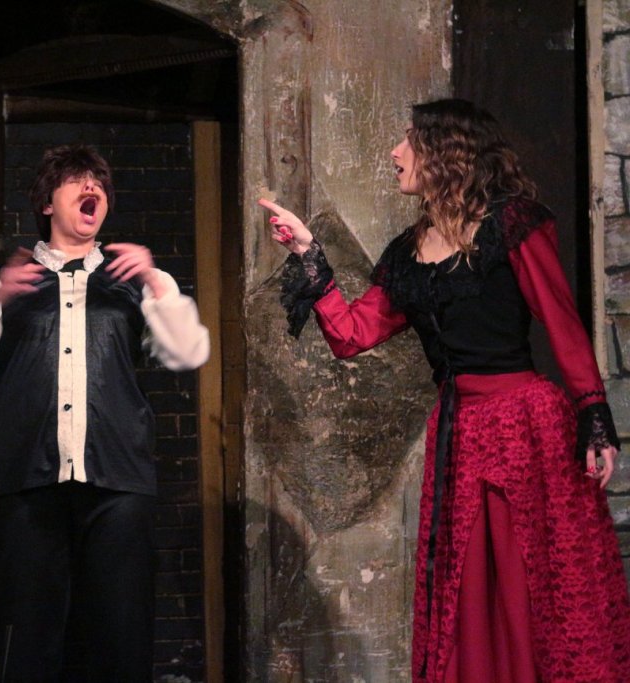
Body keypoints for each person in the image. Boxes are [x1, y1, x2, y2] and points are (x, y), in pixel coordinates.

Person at [262, 99, 630, 682]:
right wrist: (309, 253)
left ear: (446, 152)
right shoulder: (406, 254)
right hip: (458, 432)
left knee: (533, 578)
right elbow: (352, 335)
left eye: (408, 140)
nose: (395, 152)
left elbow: (561, 321)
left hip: (524, 424)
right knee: (467, 583)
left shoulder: (511, 224)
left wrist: (593, 411)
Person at [0, 144, 209, 681]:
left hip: (117, 484)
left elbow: (188, 353)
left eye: (99, 184)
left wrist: (156, 282)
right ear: (47, 203)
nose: (92, 189)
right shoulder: (1, 281)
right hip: (28, 482)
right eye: (78, 181)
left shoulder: (134, 279)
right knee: (26, 637)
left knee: (118, 637)